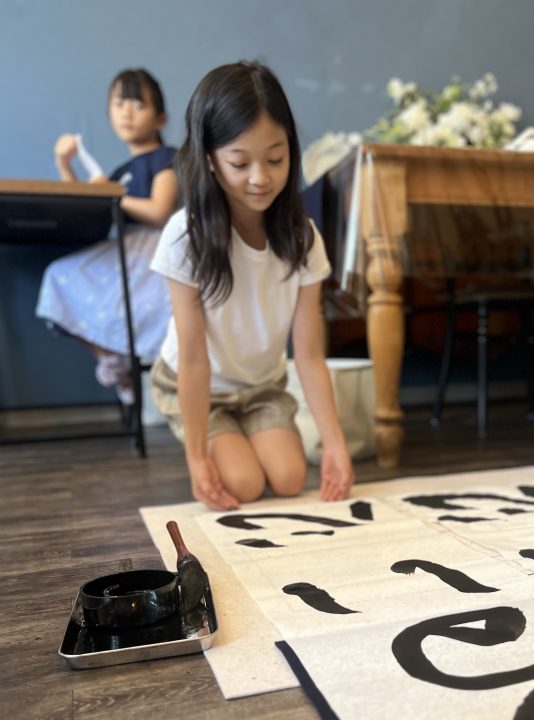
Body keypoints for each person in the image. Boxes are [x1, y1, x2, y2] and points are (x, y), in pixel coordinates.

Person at [149, 60, 354, 510]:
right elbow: (193, 358)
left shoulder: (302, 238)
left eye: (275, 159)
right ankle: (218, 443)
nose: (261, 177)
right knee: (243, 483)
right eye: (240, 163)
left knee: (289, 478)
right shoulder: (186, 236)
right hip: (200, 386)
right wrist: (197, 457)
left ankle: (244, 439)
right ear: (210, 159)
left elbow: (309, 354)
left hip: (261, 387)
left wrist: (335, 444)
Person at [36, 68, 178, 404]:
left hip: (153, 254)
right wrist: (65, 165)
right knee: (58, 278)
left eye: (138, 104)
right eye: (119, 104)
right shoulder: (119, 173)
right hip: (124, 253)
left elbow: (159, 211)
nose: (127, 112)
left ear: (160, 118)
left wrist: (112, 194)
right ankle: (112, 359)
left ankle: (120, 362)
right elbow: (85, 214)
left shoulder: (167, 158)